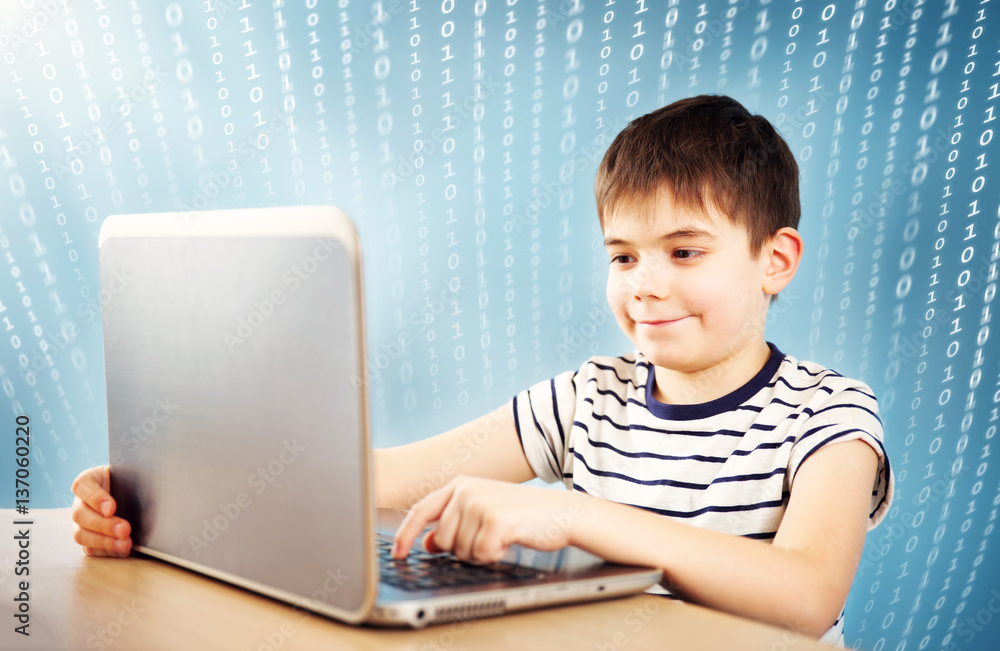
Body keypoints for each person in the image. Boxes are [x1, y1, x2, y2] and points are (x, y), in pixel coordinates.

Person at [71, 94, 891, 644]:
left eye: (683, 250)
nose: (645, 283)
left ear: (775, 259)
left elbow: (805, 593)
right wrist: (173, 483)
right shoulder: (587, 399)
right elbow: (390, 480)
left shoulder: (831, 416)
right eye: (623, 254)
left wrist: (573, 520)